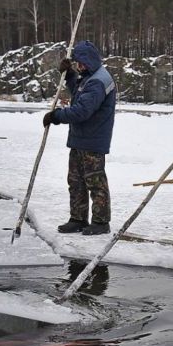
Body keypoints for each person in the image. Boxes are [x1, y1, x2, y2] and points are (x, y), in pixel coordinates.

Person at [43, 41, 116, 236]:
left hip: (93, 141)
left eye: (81, 63)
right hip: (80, 139)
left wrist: (57, 116)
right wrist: (70, 76)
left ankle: (101, 222)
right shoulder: (89, 77)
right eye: (77, 64)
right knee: (76, 181)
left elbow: (82, 110)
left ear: (90, 61)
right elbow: (79, 92)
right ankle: (78, 218)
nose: (79, 67)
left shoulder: (98, 81)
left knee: (95, 182)